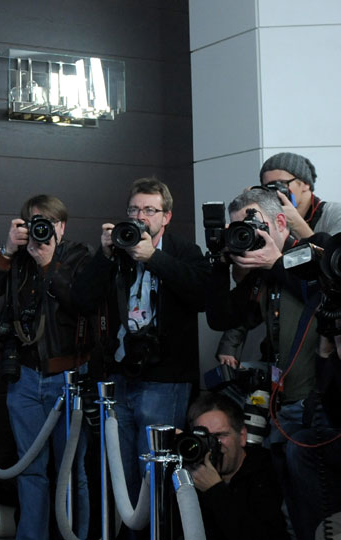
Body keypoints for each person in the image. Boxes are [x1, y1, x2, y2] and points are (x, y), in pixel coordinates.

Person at [204, 188, 337, 540]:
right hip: (283, 408)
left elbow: (326, 293)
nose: (246, 234)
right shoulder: (260, 273)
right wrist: (220, 258)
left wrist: (276, 262)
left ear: (280, 221)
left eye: (251, 224)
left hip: (319, 407)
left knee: (323, 514)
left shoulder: (315, 251)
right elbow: (221, 317)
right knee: (292, 511)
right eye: (238, 228)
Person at [72, 177, 210, 510]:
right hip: (120, 377)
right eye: (134, 209)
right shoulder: (118, 250)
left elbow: (203, 295)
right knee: (125, 480)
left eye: (150, 209)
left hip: (165, 380)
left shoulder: (183, 251)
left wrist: (153, 258)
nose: (141, 216)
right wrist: (104, 256)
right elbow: (81, 300)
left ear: (166, 216)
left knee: (156, 476)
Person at [0, 195, 92, 540]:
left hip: (67, 378)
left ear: (62, 226)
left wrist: (48, 265)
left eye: (50, 223)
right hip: (24, 378)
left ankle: (76, 535)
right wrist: (8, 250)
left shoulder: (78, 255)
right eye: (35, 223)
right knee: (30, 472)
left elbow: (80, 303)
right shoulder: (18, 257)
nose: (43, 230)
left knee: (71, 471)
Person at [217, 152, 341, 367]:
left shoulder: (333, 213)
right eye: (267, 187)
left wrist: (293, 222)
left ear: (305, 184)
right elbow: (252, 291)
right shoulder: (265, 227)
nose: (274, 192)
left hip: (321, 343)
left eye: (280, 185)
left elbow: (332, 263)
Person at [185, 392, 288, 540]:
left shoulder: (266, 471)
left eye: (220, 435)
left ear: (242, 436)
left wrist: (215, 491)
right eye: (204, 438)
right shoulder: (191, 471)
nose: (213, 445)